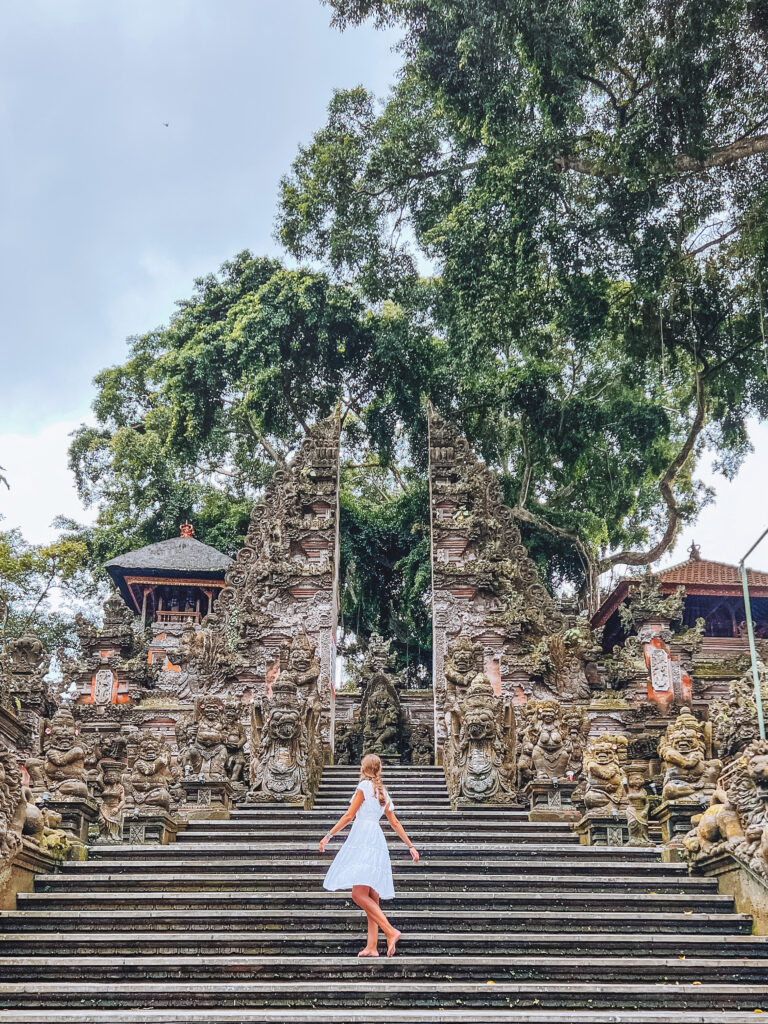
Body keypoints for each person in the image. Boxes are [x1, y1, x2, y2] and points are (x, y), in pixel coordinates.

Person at [319, 753, 420, 957]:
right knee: (372, 896)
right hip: (376, 839)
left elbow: (349, 815)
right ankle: (372, 946)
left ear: (363, 768)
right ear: (378, 769)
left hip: (363, 838)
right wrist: (411, 845)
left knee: (358, 894)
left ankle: (390, 931)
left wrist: (328, 835)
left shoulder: (364, 786)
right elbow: (394, 822)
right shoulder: (382, 791)